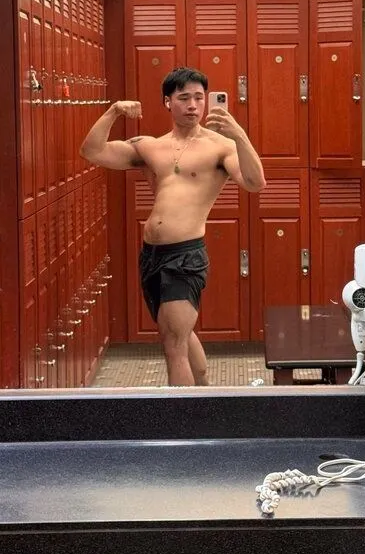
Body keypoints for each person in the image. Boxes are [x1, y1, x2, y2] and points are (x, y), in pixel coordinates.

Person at [79, 67, 266, 386]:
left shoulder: (220, 147)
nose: (193, 105)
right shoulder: (151, 146)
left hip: (185, 256)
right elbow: (92, 151)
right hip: (152, 256)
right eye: (184, 98)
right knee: (179, 333)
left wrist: (239, 135)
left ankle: (183, 414)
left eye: (199, 98)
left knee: (173, 344)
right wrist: (113, 111)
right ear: (168, 102)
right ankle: (205, 393)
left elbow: (255, 182)